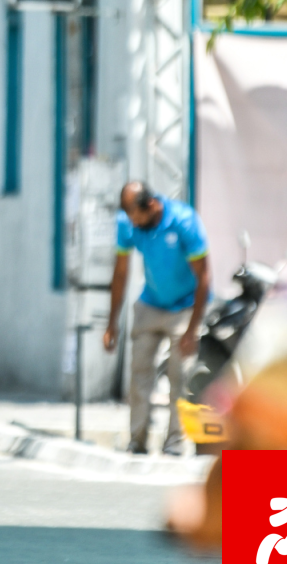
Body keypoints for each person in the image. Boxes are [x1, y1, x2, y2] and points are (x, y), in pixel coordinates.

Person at [103, 181, 212, 456]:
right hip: (150, 304)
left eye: (135, 215)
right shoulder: (128, 223)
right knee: (139, 373)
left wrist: (192, 329)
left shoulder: (183, 222)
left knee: (180, 377)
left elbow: (204, 277)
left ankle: (174, 443)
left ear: (150, 205)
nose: (132, 222)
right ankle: (136, 441)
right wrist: (111, 322)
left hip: (185, 307)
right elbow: (120, 272)